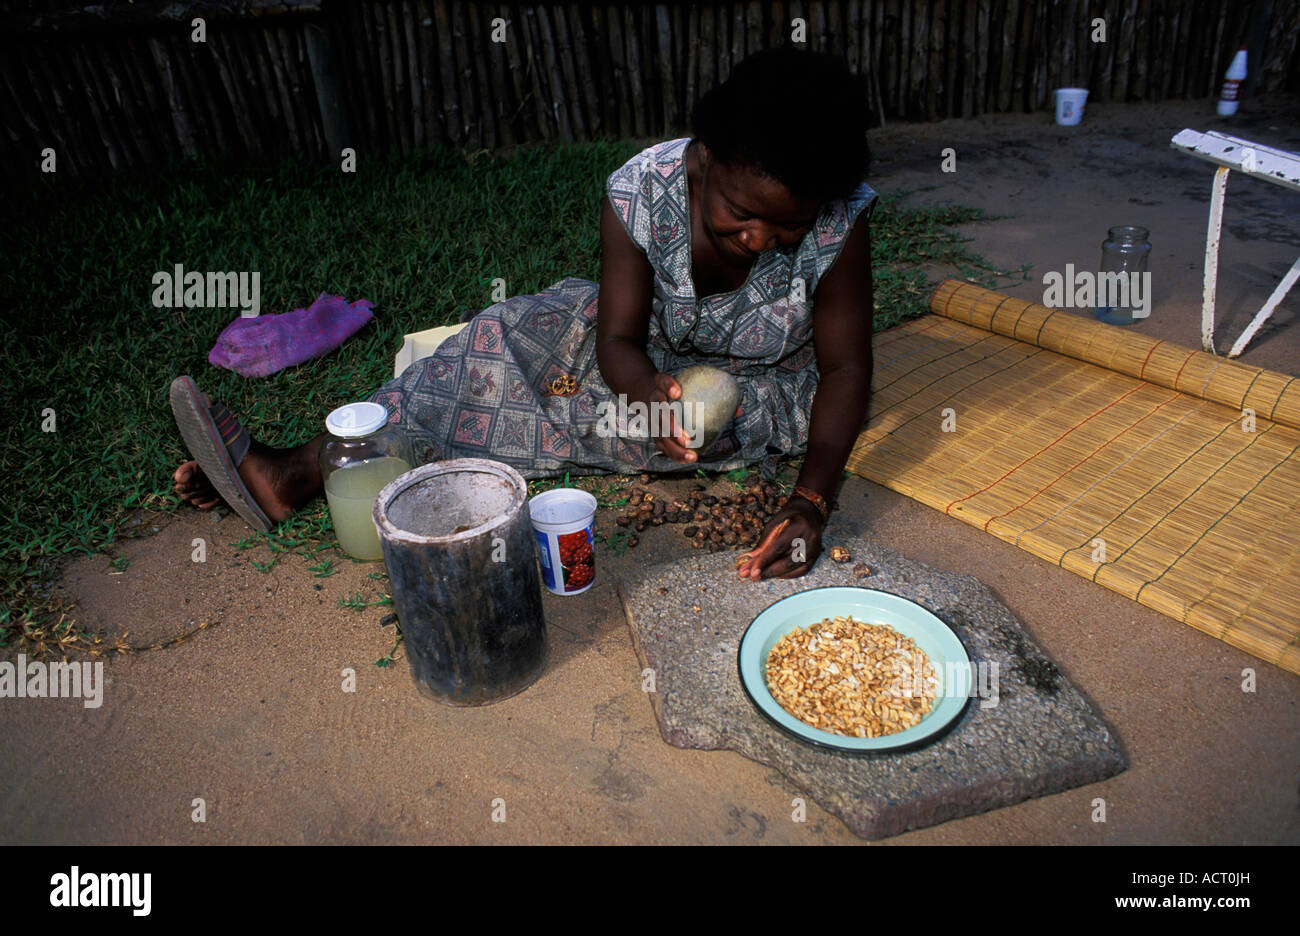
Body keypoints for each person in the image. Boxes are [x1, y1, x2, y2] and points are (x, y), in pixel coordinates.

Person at [172, 46, 876, 580]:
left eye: (787, 229)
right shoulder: (642, 190)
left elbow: (845, 369)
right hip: (643, 361)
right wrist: (646, 395)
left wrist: (810, 501)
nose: (761, 240)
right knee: (501, 338)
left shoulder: (839, 221)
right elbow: (619, 340)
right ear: (702, 161)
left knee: (688, 415)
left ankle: (342, 472)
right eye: (742, 216)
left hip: (758, 384)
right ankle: (299, 471)